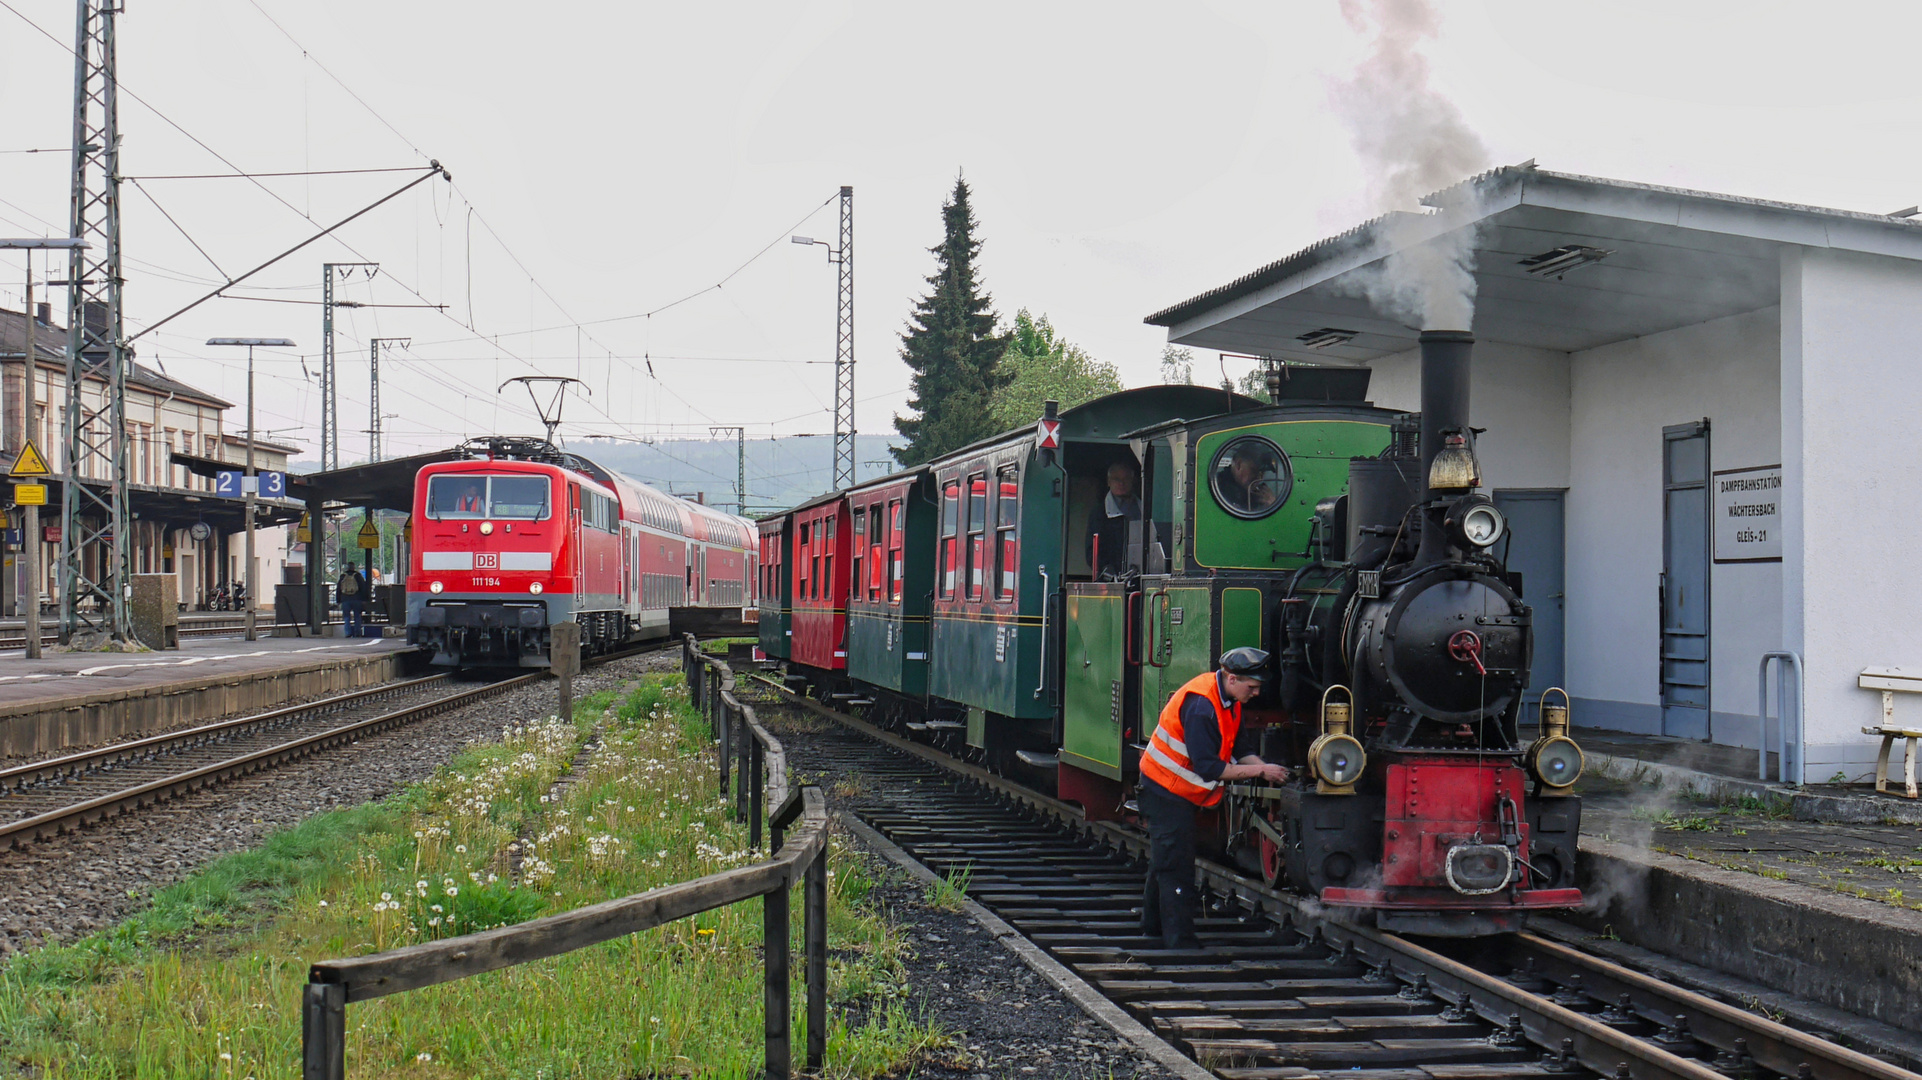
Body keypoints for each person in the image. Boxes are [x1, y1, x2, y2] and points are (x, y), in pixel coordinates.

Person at [1138, 647, 1289, 950]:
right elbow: (1209, 767)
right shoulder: (1202, 706)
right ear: (1232, 678)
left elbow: (1240, 747)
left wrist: (1268, 770)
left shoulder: (1229, 700)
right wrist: (1261, 771)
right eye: (1252, 686)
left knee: (1164, 860)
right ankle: (1179, 941)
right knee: (1176, 865)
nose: (1256, 693)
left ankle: (1151, 928)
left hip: (1175, 790)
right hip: (1164, 789)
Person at [1084, 461, 1141, 577]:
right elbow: (1092, 552)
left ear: (1133, 481)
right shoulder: (1098, 514)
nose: (1121, 483)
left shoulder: (1145, 510)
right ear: (1109, 482)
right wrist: (1105, 569)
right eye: (1116, 479)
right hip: (1110, 581)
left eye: (1126, 478)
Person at [1214, 444, 1278, 514]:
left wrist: (1272, 505)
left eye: (1262, 472)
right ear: (1238, 464)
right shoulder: (1217, 487)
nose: (1259, 478)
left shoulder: (1260, 495)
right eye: (1254, 471)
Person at [337, 562, 368, 636]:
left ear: (347, 568)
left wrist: (338, 600)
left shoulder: (343, 576)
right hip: (356, 599)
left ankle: (348, 633)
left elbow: (338, 589)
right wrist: (364, 599)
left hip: (345, 599)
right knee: (357, 616)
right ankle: (357, 633)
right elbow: (363, 588)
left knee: (347, 617)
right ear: (354, 567)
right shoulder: (358, 576)